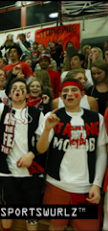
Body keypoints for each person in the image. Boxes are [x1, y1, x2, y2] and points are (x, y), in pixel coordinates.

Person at [0, 62, 46, 231]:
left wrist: (32, 154)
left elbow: (43, 143)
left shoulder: (37, 114)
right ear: (9, 93)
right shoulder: (1, 110)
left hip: (31, 171)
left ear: (27, 94)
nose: (18, 90)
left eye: (22, 88)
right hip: (7, 171)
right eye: (15, 87)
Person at [36, 78, 108, 231]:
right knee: (56, 227)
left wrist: (97, 184)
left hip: (86, 187)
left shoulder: (97, 118)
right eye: (65, 91)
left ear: (82, 94)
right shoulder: (52, 116)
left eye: (74, 90)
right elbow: (41, 149)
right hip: (57, 184)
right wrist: (47, 129)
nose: (69, 94)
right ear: (61, 96)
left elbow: (101, 154)